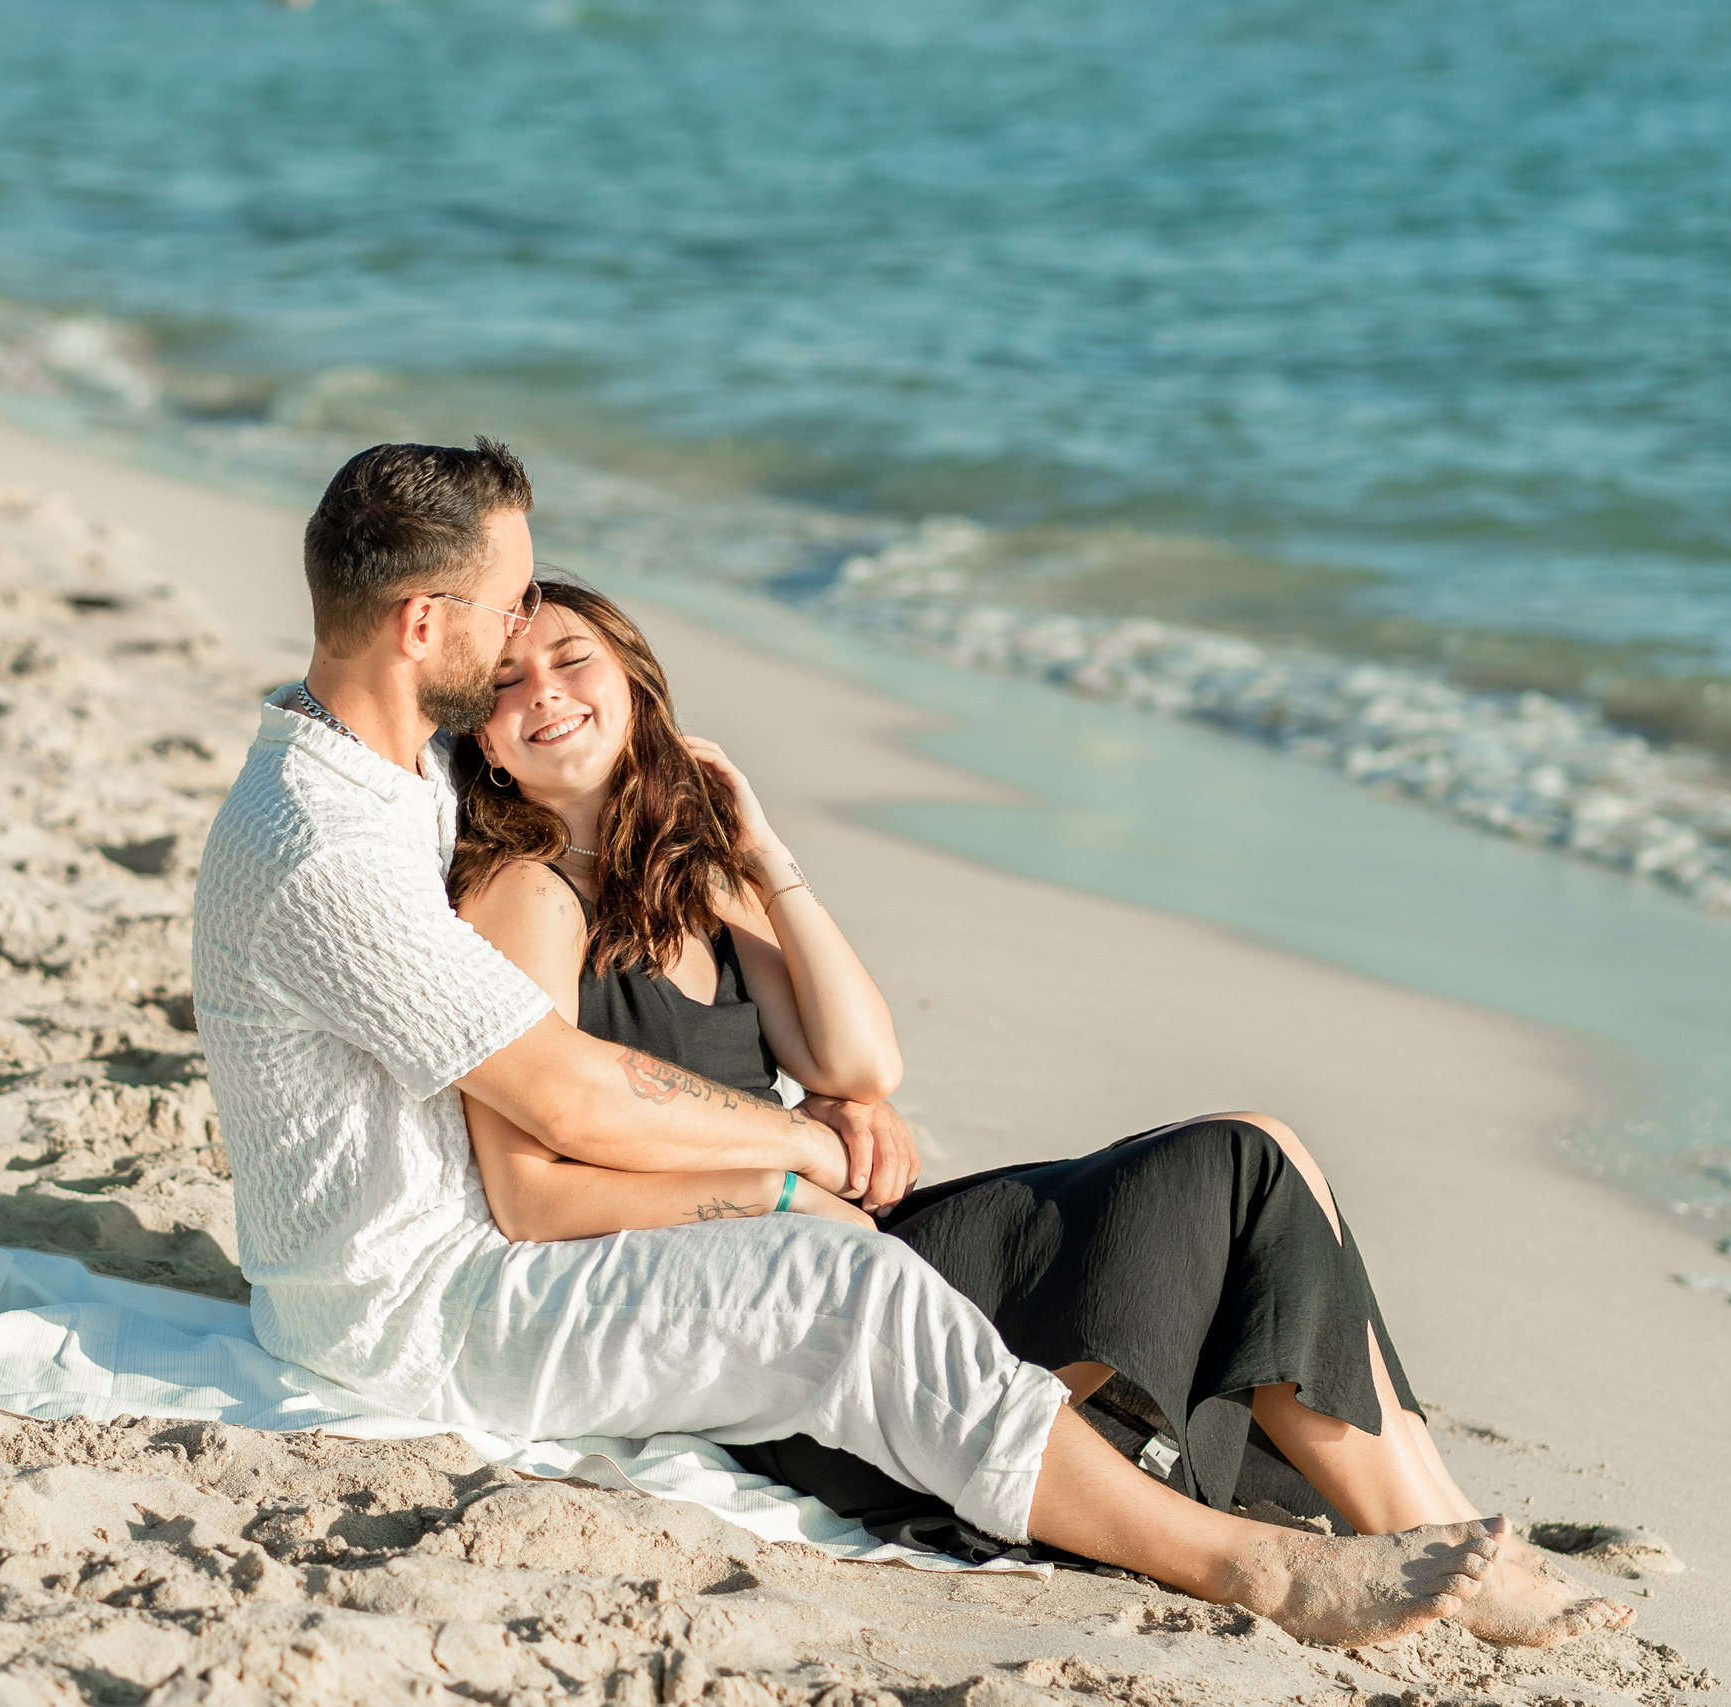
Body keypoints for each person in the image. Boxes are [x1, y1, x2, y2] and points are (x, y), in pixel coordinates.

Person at [193, 438, 1506, 1650]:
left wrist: (766, 905)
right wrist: (800, 1152)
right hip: (416, 1312)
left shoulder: (392, 771)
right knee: (849, 1285)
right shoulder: (327, 845)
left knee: (1207, 1176)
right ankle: (1247, 1566)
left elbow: (824, 1057)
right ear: (427, 624)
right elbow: (566, 1098)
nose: (528, 636)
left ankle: (1413, 1518)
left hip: (470, 1250)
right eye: (510, 602)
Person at [442, 576, 1634, 1649]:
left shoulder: (686, 877)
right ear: (484, 744)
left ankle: (1448, 1530)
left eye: (572, 658)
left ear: (638, 685)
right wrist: (785, 1181)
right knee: (1236, 1168)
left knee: (1267, 1159)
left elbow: (862, 1059)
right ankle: (1457, 1557)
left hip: (848, 1237)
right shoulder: (525, 898)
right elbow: (532, 1193)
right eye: (507, 682)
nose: (545, 691)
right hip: (775, 1308)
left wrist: (761, 848)